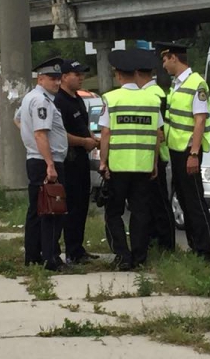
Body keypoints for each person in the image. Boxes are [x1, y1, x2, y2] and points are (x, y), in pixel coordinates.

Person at [98, 50, 163, 270]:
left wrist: (103, 162)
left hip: (118, 166)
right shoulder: (152, 100)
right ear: (136, 75)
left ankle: (122, 255)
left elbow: (105, 134)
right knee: (140, 212)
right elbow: (157, 135)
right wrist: (154, 162)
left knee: (114, 212)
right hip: (143, 165)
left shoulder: (111, 98)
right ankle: (139, 257)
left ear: (117, 75)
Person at [156, 41, 210, 262]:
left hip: (188, 150)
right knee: (183, 198)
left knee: (194, 200)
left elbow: (200, 120)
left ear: (173, 58)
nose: (163, 65)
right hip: (176, 149)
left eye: (165, 59)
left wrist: (193, 153)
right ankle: (194, 246)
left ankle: (205, 250)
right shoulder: (177, 84)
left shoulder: (196, 83)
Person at [17, 57, 68, 272]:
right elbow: (40, 134)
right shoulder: (41, 101)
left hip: (36, 159)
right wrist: (50, 164)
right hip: (46, 161)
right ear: (40, 79)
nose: (57, 83)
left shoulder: (31, 97)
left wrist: (26, 136)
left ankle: (33, 255)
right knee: (51, 212)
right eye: (52, 78)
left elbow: (18, 119)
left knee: (37, 210)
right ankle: (50, 259)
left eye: (59, 78)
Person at [128, 48, 175, 252]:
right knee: (153, 205)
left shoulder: (152, 95)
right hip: (153, 155)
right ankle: (158, 242)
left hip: (157, 156)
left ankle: (165, 245)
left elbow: (159, 130)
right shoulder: (155, 92)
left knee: (159, 205)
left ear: (138, 73)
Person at [53, 59, 101, 264]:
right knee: (71, 206)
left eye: (82, 74)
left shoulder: (78, 99)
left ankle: (78, 249)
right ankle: (71, 250)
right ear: (64, 77)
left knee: (82, 205)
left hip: (82, 158)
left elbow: (83, 125)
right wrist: (84, 142)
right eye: (76, 74)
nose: (81, 78)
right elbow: (59, 134)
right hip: (69, 160)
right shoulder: (60, 102)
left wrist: (93, 139)